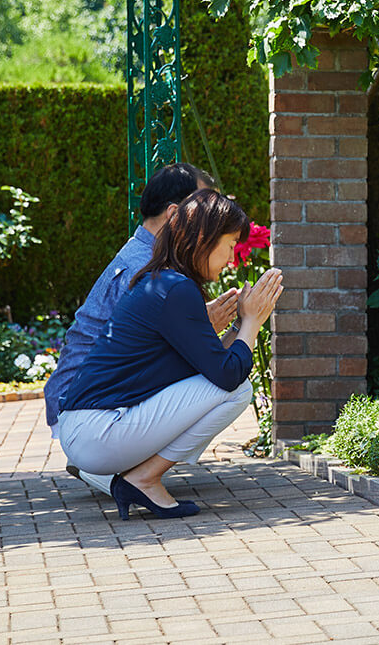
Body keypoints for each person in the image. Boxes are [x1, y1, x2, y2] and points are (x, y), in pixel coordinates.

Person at [55, 189, 284, 519]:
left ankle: (137, 476)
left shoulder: (166, 282)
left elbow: (211, 367)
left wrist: (238, 326)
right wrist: (252, 321)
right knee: (239, 390)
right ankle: (143, 477)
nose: (233, 258)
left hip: (89, 429)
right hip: (96, 432)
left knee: (228, 385)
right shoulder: (175, 289)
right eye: (231, 244)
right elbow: (228, 376)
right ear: (204, 237)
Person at [45, 163, 238, 494]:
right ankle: (123, 470)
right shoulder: (147, 269)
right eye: (204, 206)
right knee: (225, 385)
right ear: (176, 214)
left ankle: (118, 467)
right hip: (91, 412)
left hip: (87, 406)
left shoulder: (148, 255)